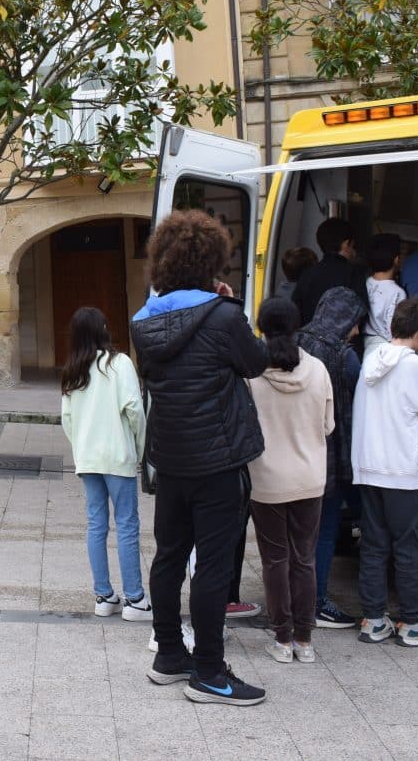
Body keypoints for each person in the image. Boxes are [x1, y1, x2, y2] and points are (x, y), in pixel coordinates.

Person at [132, 209, 269, 707]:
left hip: (170, 459)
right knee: (212, 565)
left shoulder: (144, 321)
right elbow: (255, 363)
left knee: (169, 556)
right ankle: (210, 672)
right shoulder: (224, 315)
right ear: (213, 262)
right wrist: (231, 311)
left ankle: (170, 654)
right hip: (218, 460)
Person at [351, 297, 418, 647]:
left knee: (374, 545)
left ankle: (374, 619)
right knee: (410, 547)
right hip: (403, 471)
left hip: (367, 466)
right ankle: (413, 622)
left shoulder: (371, 358)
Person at [246, 298, 334, 664]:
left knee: (274, 560)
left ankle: (281, 639)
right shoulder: (318, 369)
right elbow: (328, 426)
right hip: (309, 478)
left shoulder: (251, 374)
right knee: (304, 558)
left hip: (265, 479)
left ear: (261, 327)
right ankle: (304, 639)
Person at [59, 306, 150, 622]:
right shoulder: (120, 363)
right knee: (126, 524)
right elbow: (134, 411)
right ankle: (135, 599)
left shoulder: (73, 369)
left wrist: (81, 448)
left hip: (88, 458)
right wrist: (140, 449)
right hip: (117, 455)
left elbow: (67, 419)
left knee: (96, 524)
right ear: (103, 329)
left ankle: (104, 595)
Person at [296, 286, 366, 630]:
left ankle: (292, 597)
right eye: (356, 323)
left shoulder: (293, 342)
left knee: (294, 533)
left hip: (291, 451)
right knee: (324, 532)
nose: (357, 330)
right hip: (329, 455)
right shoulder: (344, 355)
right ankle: (317, 601)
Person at [292, 217, 368, 326]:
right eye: (353, 245)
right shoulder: (354, 273)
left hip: (309, 340)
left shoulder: (307, 274)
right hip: (342, 341)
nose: (354, 250)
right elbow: (361, 313)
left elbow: (296, 312)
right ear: (346, 244)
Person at [363, 233, 405, 356]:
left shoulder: (365, 283)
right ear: (396, 260)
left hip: (364, 343)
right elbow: (393, 328)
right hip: (385, 349)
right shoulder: (397, 292)